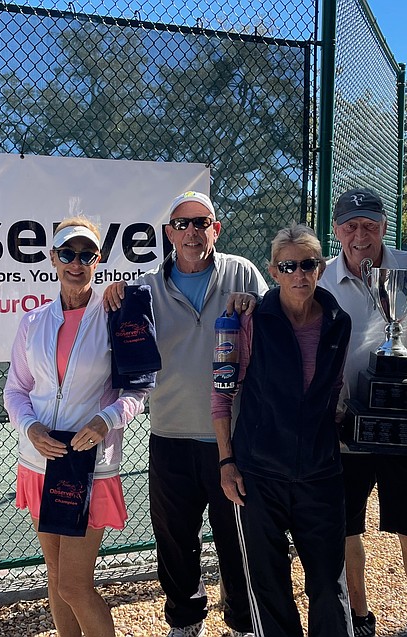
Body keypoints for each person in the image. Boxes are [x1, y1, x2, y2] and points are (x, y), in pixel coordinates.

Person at [104, 191, 268, 637]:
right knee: (175, 541)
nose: (192, 231)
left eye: (201, 222)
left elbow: (274, 328)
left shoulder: (243, 273)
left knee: (238, 541)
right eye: (182, 224)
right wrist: (114, 293)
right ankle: (185, 620)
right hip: (171, 437)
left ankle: (243, 623)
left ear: (216, 229)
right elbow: (123, 334)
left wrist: (257, 306)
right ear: (169, 233)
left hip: (233, 440)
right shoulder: (144, 288)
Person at [319, 188, 407, 637]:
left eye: (369, 225)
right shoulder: (320, 279)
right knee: (344, 532)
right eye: (350, 226)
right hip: (346, 431)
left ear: (384, 227)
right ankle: (360, 619)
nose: (360, 235)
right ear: (337, 230)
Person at [4, 217, 150, 637]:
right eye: (67, 253)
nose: (76, 263)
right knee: (55, 578)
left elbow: (137, 389)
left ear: (97, 260)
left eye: (86, 255)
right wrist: (30, 427)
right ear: (53, 258)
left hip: (89, 467)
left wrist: (106, 421)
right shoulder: (33, 321)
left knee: (74, 584)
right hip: (38, 463)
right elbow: (16, 389)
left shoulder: (115, 316)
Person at [212, 223, 354, 637]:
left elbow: (334, 388)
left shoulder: (338, 322)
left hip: (320, 474)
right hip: (259, 474)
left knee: (329, 585)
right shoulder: (250, 320)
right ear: (273, 272)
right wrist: (226, 461)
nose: (299, 274)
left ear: (320, 268)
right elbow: (221, 395)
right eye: (288, 266)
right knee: (269, 586)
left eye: (308, 264)